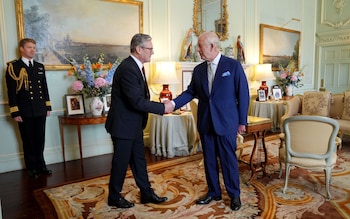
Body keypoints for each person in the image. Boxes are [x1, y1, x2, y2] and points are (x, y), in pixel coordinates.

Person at [172, 32, 250, 211]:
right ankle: (214, 191)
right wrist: (173, 104)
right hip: (206, 122)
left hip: (227, 123)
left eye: (200, 46)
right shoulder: (199, 69)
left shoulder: (233, 66)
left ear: (212, 47)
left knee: (228, 160)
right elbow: (191, 92)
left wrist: (242, 121)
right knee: (209, 160)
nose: (197, 50)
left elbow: (243, 95)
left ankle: (234, 194)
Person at [105, 33, 174, 208]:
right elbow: (135, 101)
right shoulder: (128, 68)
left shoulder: (135, 66)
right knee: (120, 164)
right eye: (150, 49)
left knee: (139, 160)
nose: (153, 52)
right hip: (123, 126)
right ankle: (114, 197)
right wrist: (162, 108)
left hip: (133, 125)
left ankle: (146, 192)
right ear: (139, 49)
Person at [5, 38, 52, 179]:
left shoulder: (39, 66)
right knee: (28, 140)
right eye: (29, 47)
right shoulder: (14, 67)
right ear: (22, 49)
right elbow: (11, 92)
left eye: (34, 48)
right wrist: (15, 111)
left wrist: (47, 106)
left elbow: (44, 88)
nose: (33, 50)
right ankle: (31, 167)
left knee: (40, 139)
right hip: (24, 111)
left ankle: (41, 165)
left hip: (40, 109)